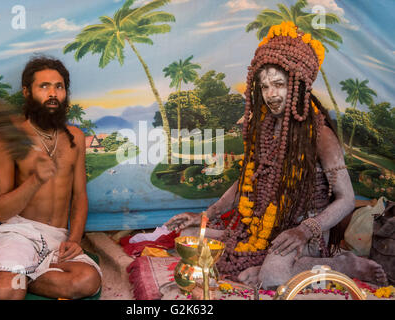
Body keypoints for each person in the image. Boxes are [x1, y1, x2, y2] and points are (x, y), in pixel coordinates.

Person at [165, 22, 388, 289]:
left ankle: (341, 264)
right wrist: (205, 215)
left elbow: (347, 199)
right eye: (265, 86)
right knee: (190, 236)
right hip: (259, 229)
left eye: (279, 84)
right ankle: (261, 262)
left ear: (298, 85)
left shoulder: (320, 135)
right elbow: (246, 183)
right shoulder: (263, 128)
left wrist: (304, 231)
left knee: (272, 276)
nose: (271, 94)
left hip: (301, 237)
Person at [0, 56, 101, 299]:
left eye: (59, 86)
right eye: (44, 86)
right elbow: (1, 211)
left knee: (87, 281)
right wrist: (35, 180)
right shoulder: (10, 138)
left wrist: (74, 238)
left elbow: (80, 196)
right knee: (6, 295)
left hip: (57, 238)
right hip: (19, 233)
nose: (53, 93)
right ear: (27, 92)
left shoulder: (75, 137)